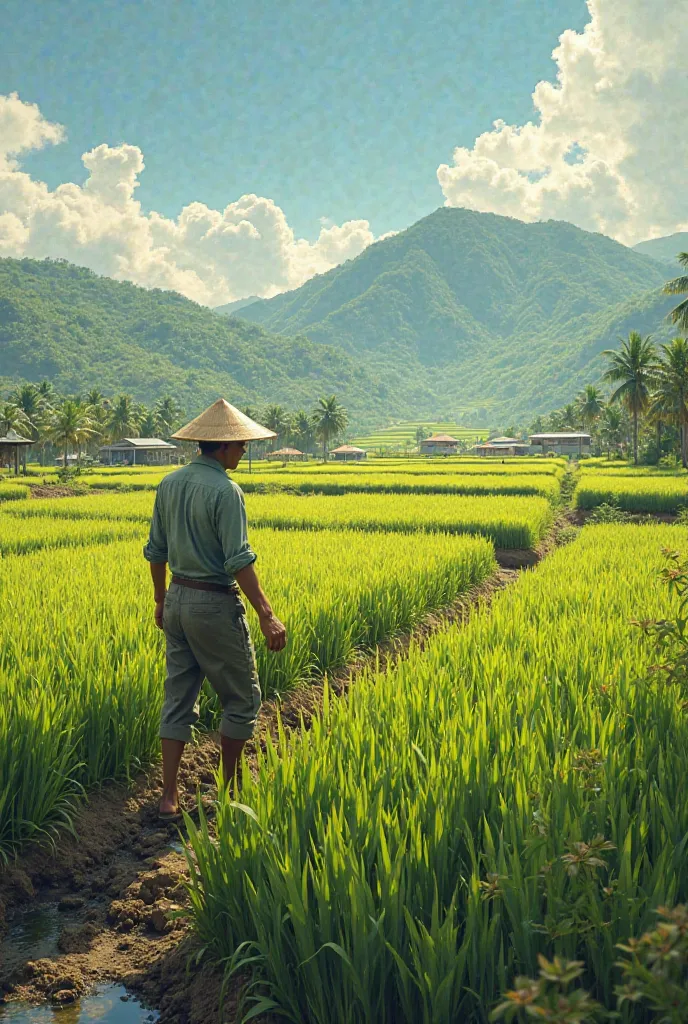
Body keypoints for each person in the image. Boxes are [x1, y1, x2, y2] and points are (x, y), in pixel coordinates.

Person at [143, 398, 287, 820]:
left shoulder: (169, 483)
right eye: (241, 446)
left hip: (177, 599)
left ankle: (169, 798)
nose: (244, 451)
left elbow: (155, 551)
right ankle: (228, 788)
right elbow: (238, 559)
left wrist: (160, 598)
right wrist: (266, 613)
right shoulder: (227, 491)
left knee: (178, 698)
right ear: (222, 448)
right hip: (212, 604)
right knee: (243, 699)